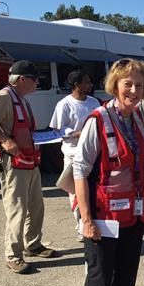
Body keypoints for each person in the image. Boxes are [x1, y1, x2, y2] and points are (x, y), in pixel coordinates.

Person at [73, 58, 144, 286]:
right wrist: (86, 218)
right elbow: (80, 170)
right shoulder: (98, 120)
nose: (133, 89)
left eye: (139, 85)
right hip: (102, 217)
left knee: (126, 274)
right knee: (100, 277)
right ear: (115, 85)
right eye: (127, 84)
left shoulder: (138, 120)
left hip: (132, 215)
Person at [0, 60, 57, 274]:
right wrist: (4, 140)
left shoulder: (21, 99)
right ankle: (13, 255)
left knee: (36, 205)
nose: (37, 82)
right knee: (17, 208)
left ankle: (33, 244)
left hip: (29, 161)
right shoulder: (4, 97)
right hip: (14, 163)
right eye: (34, 78)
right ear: (22, 79)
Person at [49, 69, 100, 242]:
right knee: (76, 193)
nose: (90, 85)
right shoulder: (64, 104)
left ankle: (93, 221)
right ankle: (81, 226)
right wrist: (74, 133)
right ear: (77, 85)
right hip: (73, 154)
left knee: (93, 190)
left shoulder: (94, 102)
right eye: (87, 82)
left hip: (93, 153)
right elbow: (57, 129)